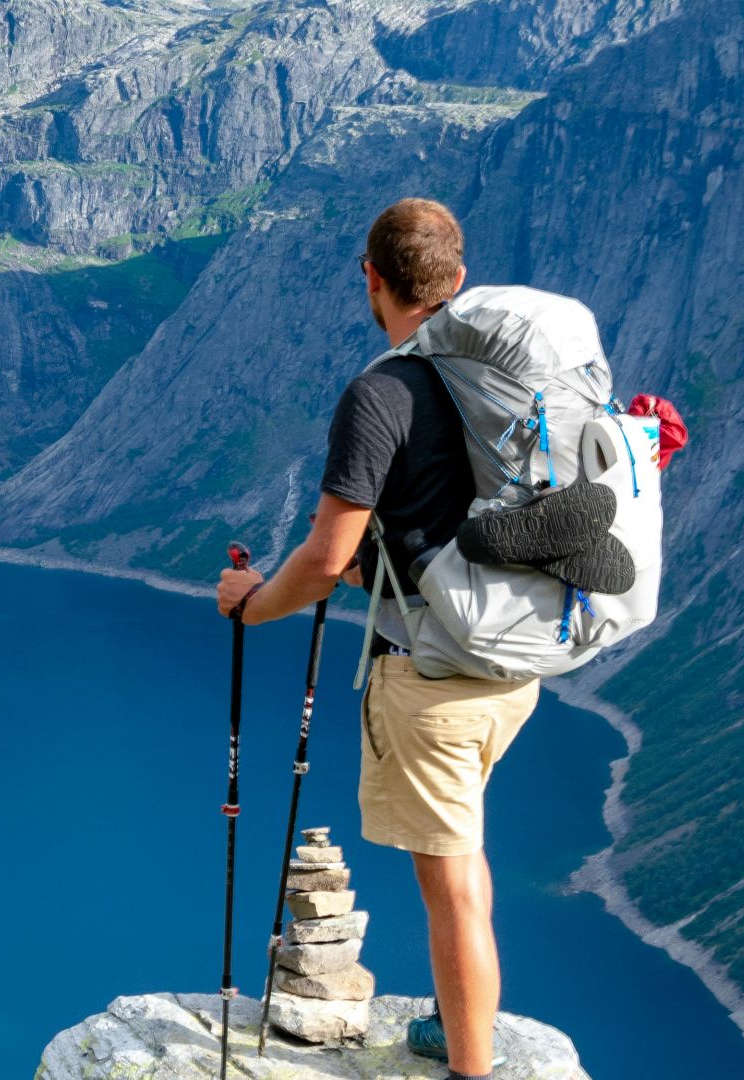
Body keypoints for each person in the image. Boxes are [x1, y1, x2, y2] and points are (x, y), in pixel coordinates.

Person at [214, 198, 540, 1080]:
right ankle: (450, 1018)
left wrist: (250, 606)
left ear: (371, 276)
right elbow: (427, 537)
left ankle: (471, 1068)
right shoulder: (502, 377)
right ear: (456, 280)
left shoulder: (383, 391)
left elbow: (326, 558)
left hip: (435, 678)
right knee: (465, 850)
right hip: (515, 661)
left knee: (451, 889)